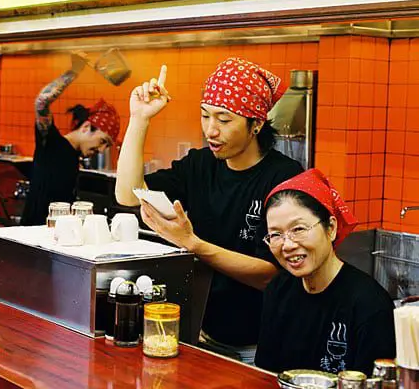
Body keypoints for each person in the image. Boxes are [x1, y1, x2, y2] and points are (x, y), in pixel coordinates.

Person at [115, 57, 303, 363]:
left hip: (260, 346)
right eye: (205, 115)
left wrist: (193, 244)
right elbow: (127, 194)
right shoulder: (200, 165)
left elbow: (271, 275)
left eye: (224, 120)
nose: (211, 130)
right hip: (200, 332)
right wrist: (139, 119)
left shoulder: (284, 178)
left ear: (256, 124)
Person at [255, 169, 396, 375]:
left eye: (298, 229)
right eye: (275, 235)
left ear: (331, 228)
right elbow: (266, 373)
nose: (287, 245)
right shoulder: (278, 290)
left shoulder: (370, 305)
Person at [21, 54, 120, 226]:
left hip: (57, 233)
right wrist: (74, 71)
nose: (102, 150)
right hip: (33, 231)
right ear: (86, 127)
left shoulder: (74, 156)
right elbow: (42, 102)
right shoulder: (52, 143)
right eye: (103, 141)